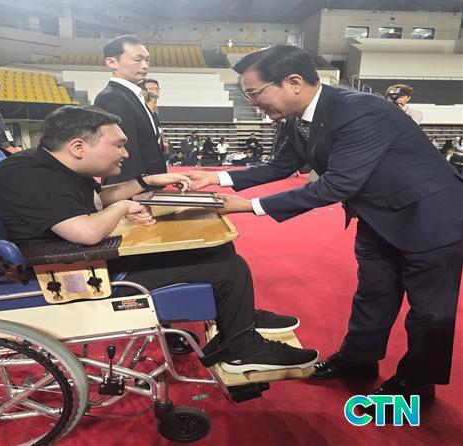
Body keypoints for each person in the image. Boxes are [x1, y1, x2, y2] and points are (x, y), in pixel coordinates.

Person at [187, 44, 463, 410]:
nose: (253, 103)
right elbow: (280, 166)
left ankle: (417, 382)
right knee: (373, 294)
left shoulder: (361, 110)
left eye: (255, 93)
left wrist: (250, 206)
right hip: (377, 217)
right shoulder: (296, 118)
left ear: (293, 82)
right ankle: (358, 359)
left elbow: (337, 185)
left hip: (430, 217)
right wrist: (214, 178)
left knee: (429, 312)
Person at [0, 105, 319, 374]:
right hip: (71, 278)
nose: (126, 153)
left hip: (77, 262)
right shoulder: (30, 175)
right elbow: (86, 231)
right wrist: (124, 207)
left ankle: (239, 318)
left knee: (221, 247)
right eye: (118, 145)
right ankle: (243, 348)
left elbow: (97, 200)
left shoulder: (52, 165)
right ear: (79, 147)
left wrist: (146, 181)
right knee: (226, 267)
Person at [94, 35, 166, 185]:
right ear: (112, 62)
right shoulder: (113, 97)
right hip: (131, 185)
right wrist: (137, 188)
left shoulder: (132, 96)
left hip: (145, 181)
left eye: (147, 60)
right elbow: (123, 151)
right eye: (137, 59)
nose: (145, 65)